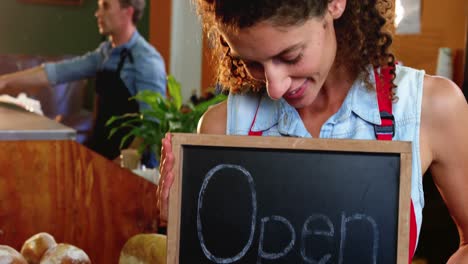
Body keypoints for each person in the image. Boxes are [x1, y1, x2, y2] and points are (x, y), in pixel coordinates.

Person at [157, 0, 468, 262]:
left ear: (334, 4)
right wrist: (184, 230)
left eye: (290, 56)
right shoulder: (219, 128)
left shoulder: (431, 107)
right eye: (251, 63)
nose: (274, 87)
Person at [0, 0, 166, 167]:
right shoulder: (105, 53)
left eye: (106, 6)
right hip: (101, 155)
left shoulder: (146, 60)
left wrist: (124, 164)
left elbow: (152, 124)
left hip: (129, 167)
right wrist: (4, 81)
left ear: (128, 12)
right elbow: (56, 72)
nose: (98, 13)